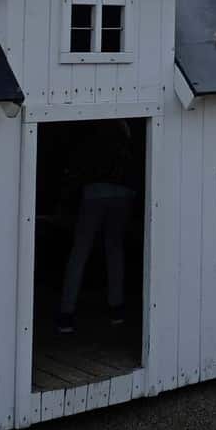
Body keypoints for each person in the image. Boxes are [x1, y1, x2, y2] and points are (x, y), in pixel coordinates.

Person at [57, 120, 137, 335]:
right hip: (123, 192)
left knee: (80, 250)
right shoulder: (125, 128)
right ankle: (116, 309)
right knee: (114, 249)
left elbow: (78, 164)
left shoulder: (91, 126)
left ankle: (66, 313)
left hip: (93, 192)